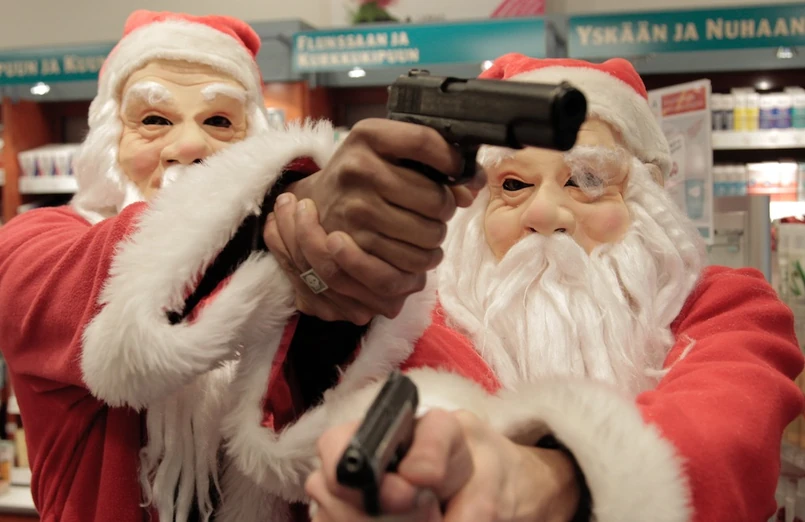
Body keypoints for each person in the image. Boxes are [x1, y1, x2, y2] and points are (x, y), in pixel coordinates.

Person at [219, 55, 805, 522]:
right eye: (514, 185)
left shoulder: (725, 306)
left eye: (587, 180)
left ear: (647, 202)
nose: (545, 215)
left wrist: (548, 477)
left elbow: (726, 434)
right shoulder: (416, 313)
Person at [0, 9, 479, 522]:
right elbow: (90, 280)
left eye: (219, 122)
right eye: (154, 120)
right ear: (109, 138)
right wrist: (285, 201)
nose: (189, 146)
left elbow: (462, 396)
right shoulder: (36, 240)